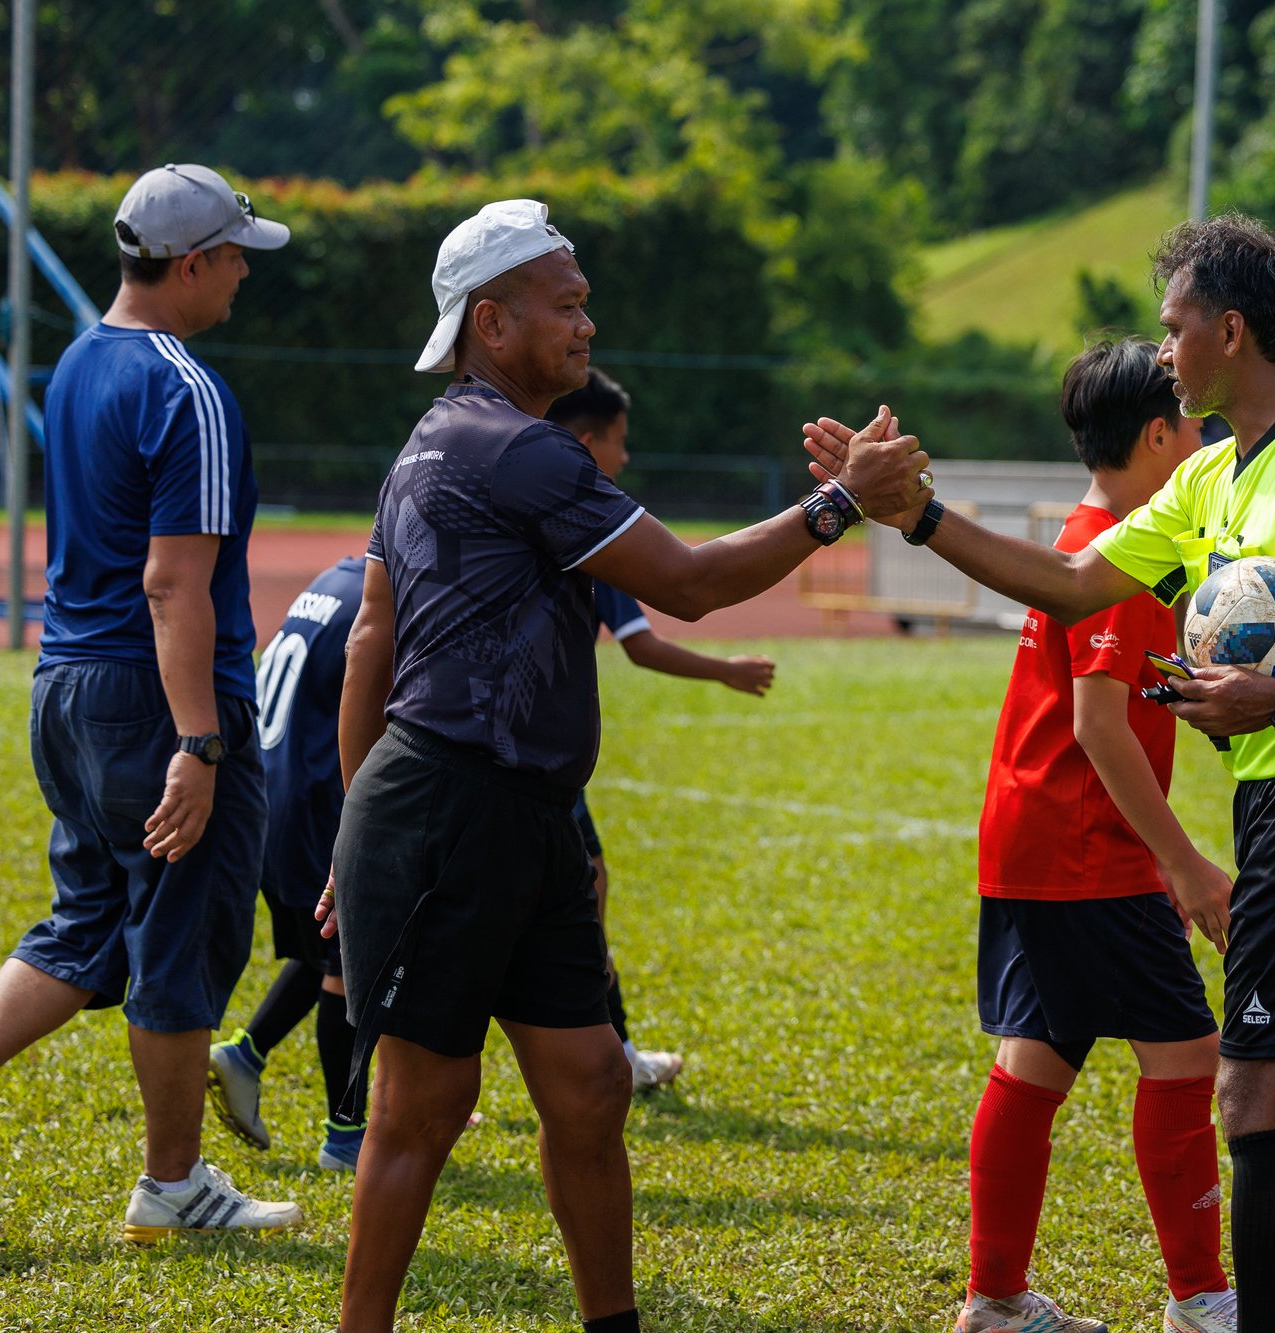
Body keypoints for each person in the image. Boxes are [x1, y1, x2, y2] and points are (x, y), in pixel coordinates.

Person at [807, 213, 1275, 1333]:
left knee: (1253, 1092)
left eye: (1172, 329)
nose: (1161, 353)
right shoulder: (1213, 473)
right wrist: (912, 514)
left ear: (1230, 328)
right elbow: (1069, 584)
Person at [323, 199, 927, 1333]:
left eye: (585, 301)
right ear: (491, 323)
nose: (586, 324)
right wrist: (843, 502)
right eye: (566, 304)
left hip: (520, 815)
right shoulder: (511, 447)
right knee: (423, 1109)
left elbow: (374, 633)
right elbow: (688, 583)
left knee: (592, 1085)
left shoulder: (439, 435)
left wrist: (356, 820)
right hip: (448, 810)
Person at [0, 164, 301, 1239]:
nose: (246, 274)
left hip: (66, 686)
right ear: (191, 262)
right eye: (237, 254)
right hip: (155, 700)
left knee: (87, 922)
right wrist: (198, 740)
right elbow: (172, 581)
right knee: (181, 931)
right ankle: (173, 1184)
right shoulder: (186, 387)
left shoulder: (78, 365)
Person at [957, 337, 1252, 1333]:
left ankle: (993, 1298)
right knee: (1185, 1056)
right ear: (1161, 434)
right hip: (1087, 847)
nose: (1207, 442)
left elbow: (1112, 694)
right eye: (1199, 426)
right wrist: (1186, 864)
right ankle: (1201, 1300)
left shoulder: (1098, 539)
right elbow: (1094, 721)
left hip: (1034, 835)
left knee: (1033, 1061)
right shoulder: (1115, 553)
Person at [546, 368, 777, 1092]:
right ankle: (608, 1054)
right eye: (619, 443)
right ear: (588, 442)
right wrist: (725, 670)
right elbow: (679, 598)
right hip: (534, 754)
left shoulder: (493, 479)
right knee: (576, 898)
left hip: (462, 746)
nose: (624, 459)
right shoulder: (591, 510)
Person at [207, 557, 373, 1172]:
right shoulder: (380, 597)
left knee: (324, 946)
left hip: (272, 791)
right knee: (350, 962)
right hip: (316, 798)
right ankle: (346, 1134)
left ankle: (246, 1054)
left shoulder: (333, 579)